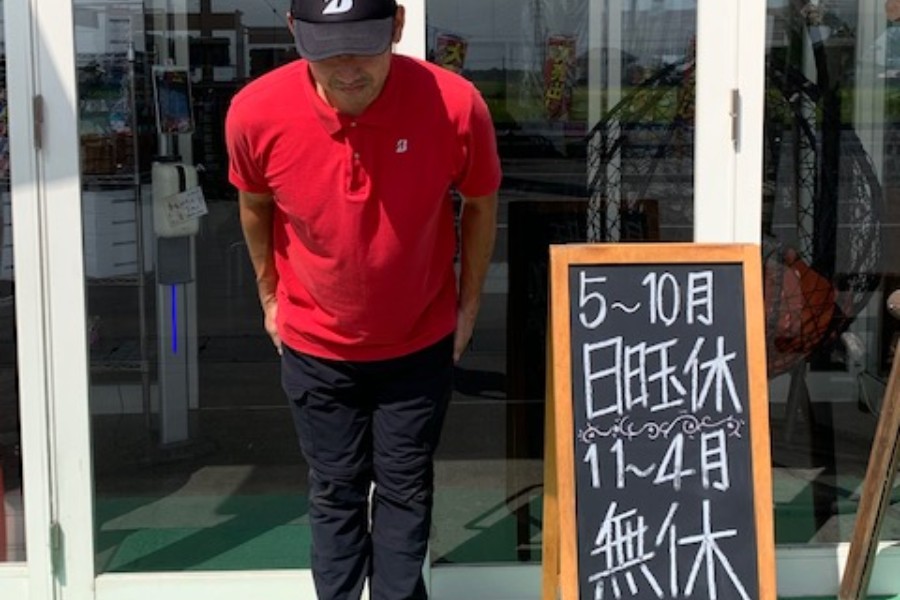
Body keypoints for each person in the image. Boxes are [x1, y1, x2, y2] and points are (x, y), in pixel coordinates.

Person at [224, 1, 501, 598]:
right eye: (328, 52)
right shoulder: (255, 111)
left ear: (398, 25)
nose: (348, 69)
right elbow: (253, 204)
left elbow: (481, 202)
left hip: (419, 340)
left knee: (406, 489)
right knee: (335, 490)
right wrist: (269, 294)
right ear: (295, 32)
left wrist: (469, 307)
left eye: (365, 47)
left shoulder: (455, 104)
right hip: (316, 345)